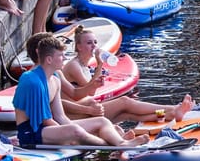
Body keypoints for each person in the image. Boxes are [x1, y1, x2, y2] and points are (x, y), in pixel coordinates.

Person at [13, 32, 150, 148]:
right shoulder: (33, 81)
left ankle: (120, 141)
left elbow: (61, 116)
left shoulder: (54, 79)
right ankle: (116, 145)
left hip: (48, 128)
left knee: (101, 121)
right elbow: (45, 121)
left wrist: (88, 127)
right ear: (49, 59)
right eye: (61, 56)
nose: (65, 58)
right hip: (31, 133)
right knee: (74, 130)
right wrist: (77, 131)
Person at [58, 24, 195, 123]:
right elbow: (89, 90)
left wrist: (99, 67)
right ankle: (173, 109)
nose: (94, 46)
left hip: (86, 107)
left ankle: (172, 113)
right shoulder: (74, 66)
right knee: (125, 102)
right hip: (77, 113)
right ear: (79, 47)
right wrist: (100, 64)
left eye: (95, 42)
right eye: (89, 43)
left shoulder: (84, 65)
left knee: (126, 115)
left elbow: (91, 91)